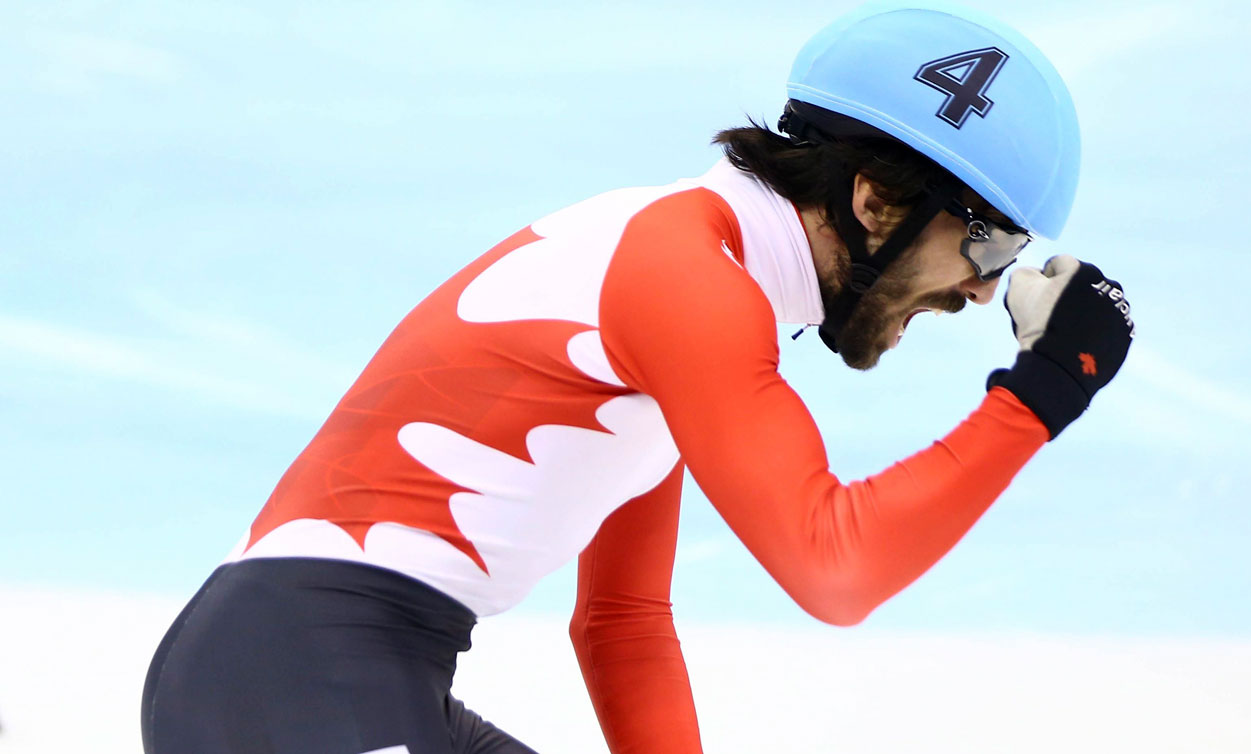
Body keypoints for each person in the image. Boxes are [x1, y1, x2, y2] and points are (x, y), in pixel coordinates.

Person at [141, 1, 1134, 752]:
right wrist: (1046, 387)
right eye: (987, 245)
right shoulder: (685, 279)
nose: (977, 293)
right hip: (303, 685)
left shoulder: (688, 275)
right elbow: (834, 568)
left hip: (300, 681)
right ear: (875, 199)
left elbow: (623, 622)